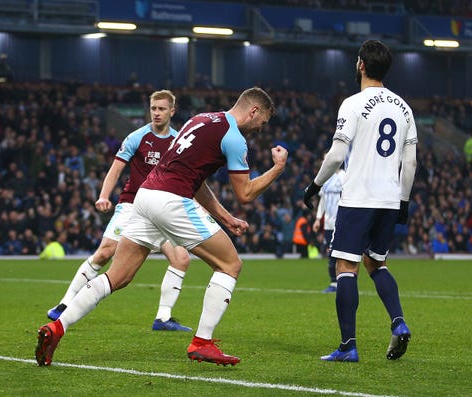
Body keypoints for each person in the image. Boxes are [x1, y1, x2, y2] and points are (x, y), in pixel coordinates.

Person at [35, 87, 288, 367]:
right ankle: (202, 343)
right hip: (172, 200)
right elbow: (247, 194)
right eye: (262, 122)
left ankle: (57, 327)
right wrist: (278, 168)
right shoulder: (234, 138)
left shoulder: (200, 119)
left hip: (144, 198)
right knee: (230, 265)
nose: (260, 129)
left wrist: (225, 218)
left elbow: (197, 179)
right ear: (253, 111)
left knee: (117, 276)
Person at [303, 40, 417, 362]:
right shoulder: (404, 108)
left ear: (361, 65)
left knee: (345, 267)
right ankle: (398, 322)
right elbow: (410, 164)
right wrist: (404, 201)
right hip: (389, 198)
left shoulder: (352, 104)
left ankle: (348, 346)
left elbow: (337, 154)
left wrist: (314, 185)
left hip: (358, 197)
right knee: (376, 263)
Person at [45, 90, 193, 332]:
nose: (156, 113)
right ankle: (64, 304)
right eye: (153, 108)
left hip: (161, 210)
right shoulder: (137, 137)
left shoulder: (179, 142)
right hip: (133, 206)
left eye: (161, 109)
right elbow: (115, 170)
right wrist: (104, 196)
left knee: (181, 258)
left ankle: (163, 318)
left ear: (172, 112)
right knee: (105, 253)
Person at [312, 167, 345, 293]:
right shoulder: (326, 177)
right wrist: (318, 218)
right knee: (330, 254)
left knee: (341, 254)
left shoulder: (344, 176)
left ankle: (342, 282)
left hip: (342, 222)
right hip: (328, 224)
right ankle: (334, 283)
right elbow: (323, 200)